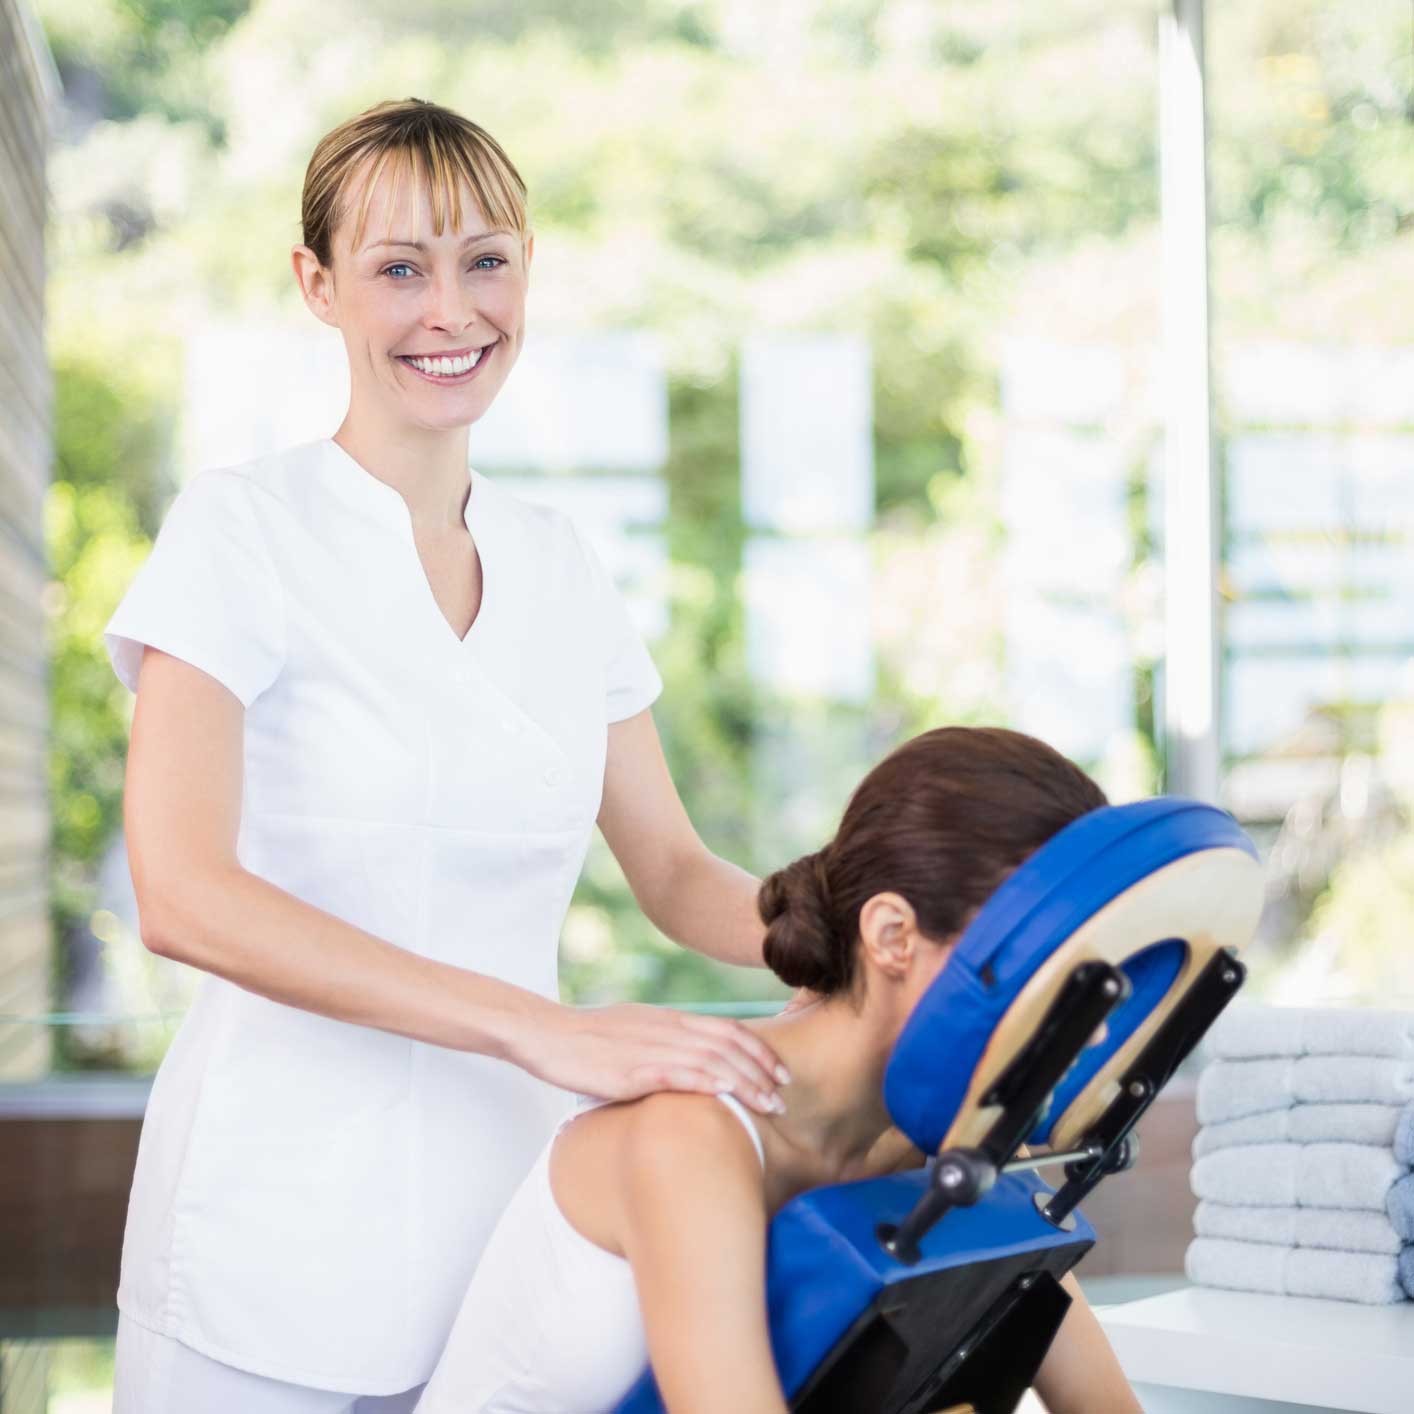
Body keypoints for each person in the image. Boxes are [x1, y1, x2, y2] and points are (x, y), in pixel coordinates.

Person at [104, 98, 797, 1414]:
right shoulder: (241, 532)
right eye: (399, 267)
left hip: (506, 1229)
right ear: (317, 285)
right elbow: (181, 893)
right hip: (273, 1225)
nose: (452, 309)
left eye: (485, 260)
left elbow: (674, 868)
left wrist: (894, 932)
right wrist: (550, 1031)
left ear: (526, 269)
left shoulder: (559, 563)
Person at [414, 726, 1145, 1414]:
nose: (1098, 1024)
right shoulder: (692, 1134)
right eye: (1055, 974)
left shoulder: (940, 1142)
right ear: (892, 936)